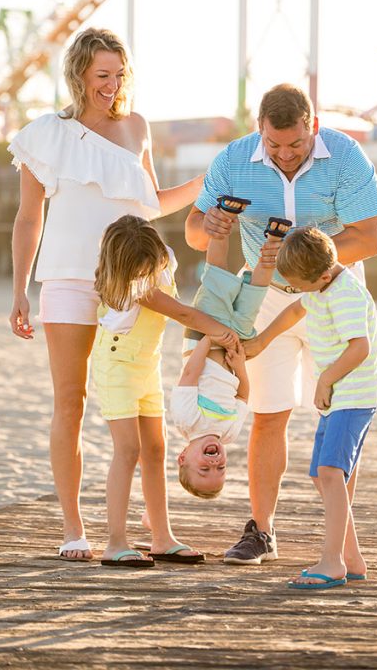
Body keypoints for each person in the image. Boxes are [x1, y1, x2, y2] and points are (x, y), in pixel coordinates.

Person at [8, 27, 203, 560]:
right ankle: (75, 529)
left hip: (134, 280)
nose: (112, 85)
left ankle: (159, 533)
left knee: (147, 411)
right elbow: (29, 217)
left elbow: (152, 202)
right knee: (71, 401)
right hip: (68, 277)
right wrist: (20, 287)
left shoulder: (136, 127)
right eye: (102, 75)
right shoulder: (46, 134)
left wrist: (208, 184)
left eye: (119, 74)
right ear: (78, 74)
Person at [184, 83, 377, 565]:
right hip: (264, 298)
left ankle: (337, 542)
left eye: (296, 144)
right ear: (260, 131)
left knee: (338, 415)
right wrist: (207, 226)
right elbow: (192, 231)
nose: (286, 155)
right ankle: (262, 531)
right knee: (269, 413)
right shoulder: (233, 160)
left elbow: (370, 238)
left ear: (312, 126)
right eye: (274, 145)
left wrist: (301, 268)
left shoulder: (347, 156)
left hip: (331, 293)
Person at [91, 215, 241, 566]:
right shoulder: (134, 286)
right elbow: (184, 314)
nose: (149, 270)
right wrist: (221, 333)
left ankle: (162, 537)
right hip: (117, 366)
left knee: (155, 450)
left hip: (147, 366)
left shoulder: (164, 260)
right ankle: (116, 542)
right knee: (128, 451)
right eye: (141, 268)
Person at [245, 227, 377, 588]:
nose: (298, 291)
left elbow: (360, 347)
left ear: (323, 275)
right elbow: (295, 311)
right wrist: (261, 341)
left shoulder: (346, 293)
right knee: (321, 475)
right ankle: (352, 558)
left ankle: (333, 560)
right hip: (337, 398)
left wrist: (324, 381)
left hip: (352, 397)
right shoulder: (320, 287)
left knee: (331, 472)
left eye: (301, 284)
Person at [170, 209, 283, 499]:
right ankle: (274, 239)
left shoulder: (187, 420)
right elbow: (243, 395)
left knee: (217, 277)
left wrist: (210, 336)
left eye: (204, 469)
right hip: (235, 348)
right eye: (220, 470)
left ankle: (224, 217)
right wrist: (240, 365)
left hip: (204, 339)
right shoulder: (230, 433)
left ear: (183, 456)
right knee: (256, 292)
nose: (214, 464)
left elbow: (190, 374)